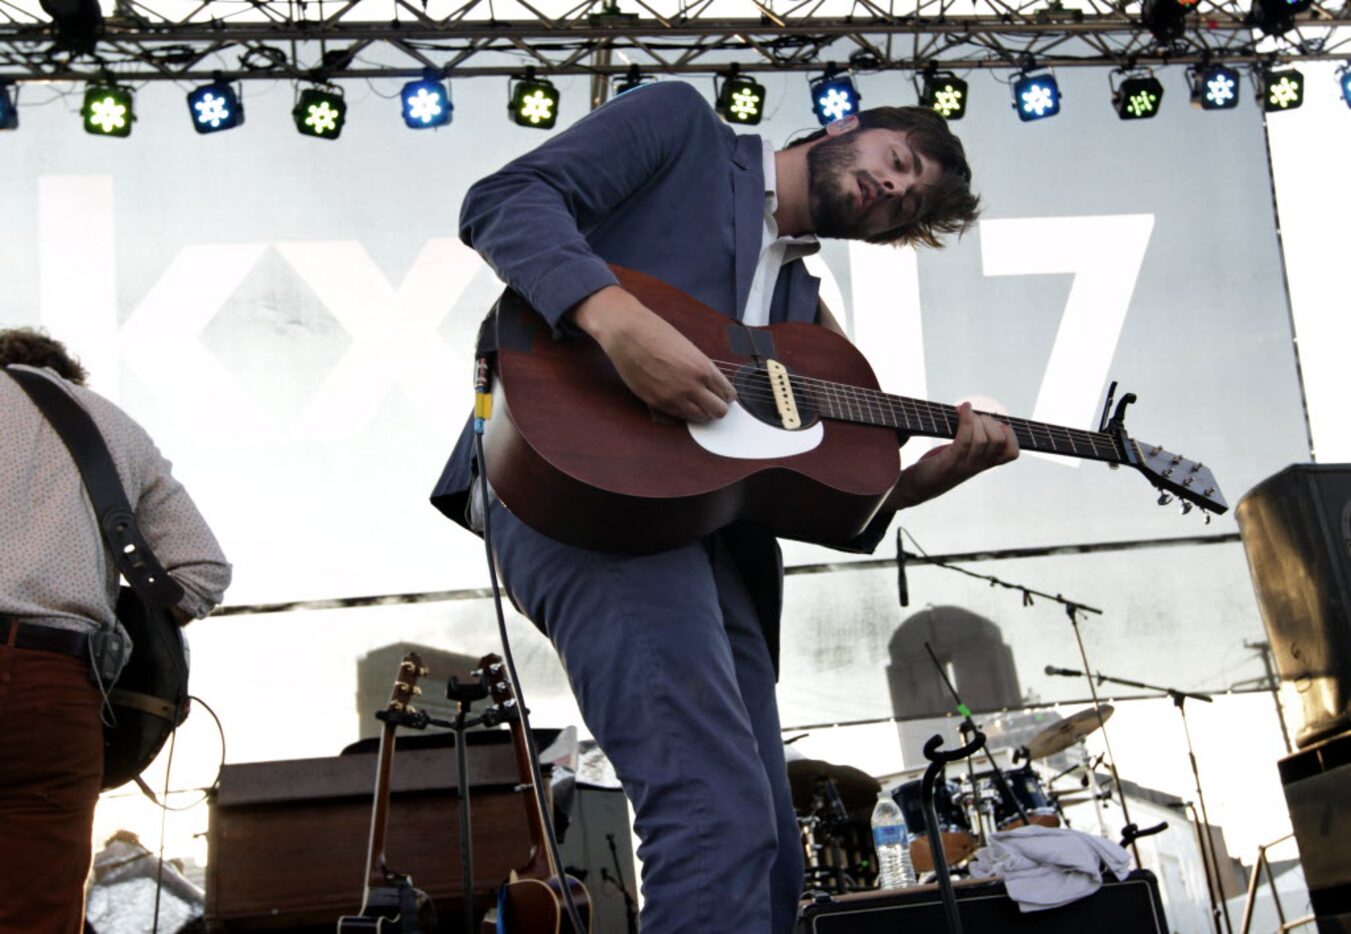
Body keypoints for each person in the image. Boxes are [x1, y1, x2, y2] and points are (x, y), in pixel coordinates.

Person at [431, 80, 1017, 933]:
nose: (893, 189)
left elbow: (812, 495)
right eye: (899, 162)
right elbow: (504, 199)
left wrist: (924, 479)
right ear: (846, 126)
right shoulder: (683, 130)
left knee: (767, 840)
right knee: (712, 810)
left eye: (909, 205)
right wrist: (620, 324)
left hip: (714, 544)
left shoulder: (803, 315)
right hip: (585, 493)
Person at [0, 328, 231, 934]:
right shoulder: (111, 426)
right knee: (37, 912)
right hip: (54, 690)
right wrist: (110, 620)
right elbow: (202, 571)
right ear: (69, 379)